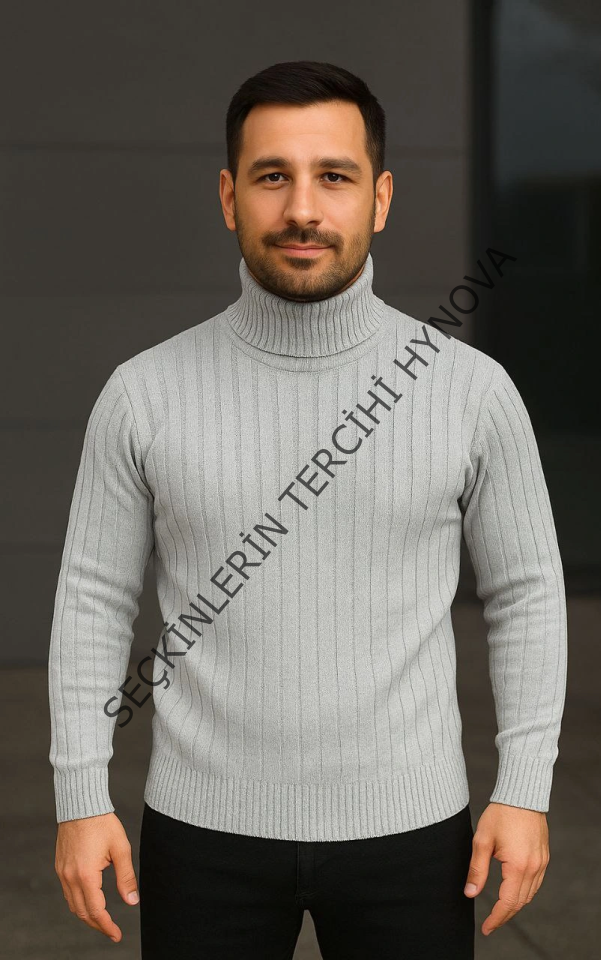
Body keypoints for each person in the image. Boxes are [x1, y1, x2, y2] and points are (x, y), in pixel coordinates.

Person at [49, 60, 567, 959]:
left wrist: (523, 786)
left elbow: (527, 593)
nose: (302, 209)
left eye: (333, 176)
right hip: (201, 836)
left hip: (413, 837)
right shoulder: (142, 394)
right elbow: (93, 599)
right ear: (228, 196)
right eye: (271, 176)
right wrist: (79, 795)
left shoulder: (471, 392)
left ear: (380, 198)